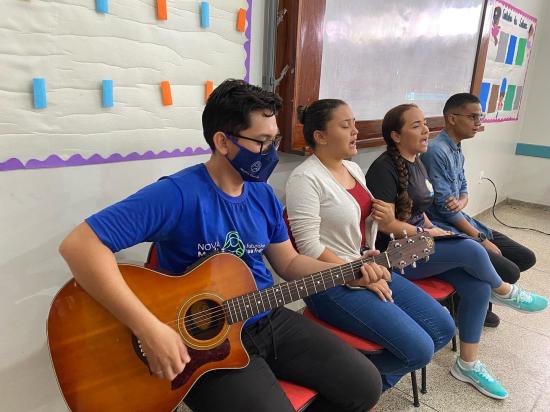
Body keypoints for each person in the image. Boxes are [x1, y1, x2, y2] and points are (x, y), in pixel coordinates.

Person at [58, 79, 388, 412]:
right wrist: (148, 328)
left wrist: (345, 272)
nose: (270, 152)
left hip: (263, 316)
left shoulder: (263, 195)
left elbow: (288, 264)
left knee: (364, 385)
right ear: (223, 142)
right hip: (199, 340)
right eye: (261, 142)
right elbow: (80, 245)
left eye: (274, 140)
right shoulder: (178, 194)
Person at [365, 103, 547, 400]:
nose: (426, 130)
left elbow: (419, 211)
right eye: (416, 125)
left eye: (425, 123)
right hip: (394, 255)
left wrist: (429, 228)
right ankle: (504, 291)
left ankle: (468, 364)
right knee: (471, 249)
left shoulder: (417, 161)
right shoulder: (382, 169)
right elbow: (386, 228)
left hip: (419, 242)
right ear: (396, 136)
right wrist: (426, 233)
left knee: (475, 287)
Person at [284, 99, 455, 391]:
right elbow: (309, 247)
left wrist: (370, 250)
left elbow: (360, 229)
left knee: (443, 328)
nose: (355, 130)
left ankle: (352, 389)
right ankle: (350, 392)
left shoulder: (353, 169)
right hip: (327, 282)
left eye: (354, 123)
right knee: (419, 349)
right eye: (345, 125)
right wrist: (357, 271)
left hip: (365, 268)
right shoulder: (304, 178)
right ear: (320, 136)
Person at [422, 92, 537, 328]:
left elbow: (462, 190)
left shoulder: (455, 148)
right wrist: (481, 239)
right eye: (473, 117)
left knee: (526, 257)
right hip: (449, 227)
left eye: (480, 117)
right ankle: (475, 297)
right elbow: (445, 210)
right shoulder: (437, 151)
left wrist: (462, 201)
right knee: (510, 271)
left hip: (464, 220)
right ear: (452, 118)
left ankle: (479, 293)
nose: (478, 123)